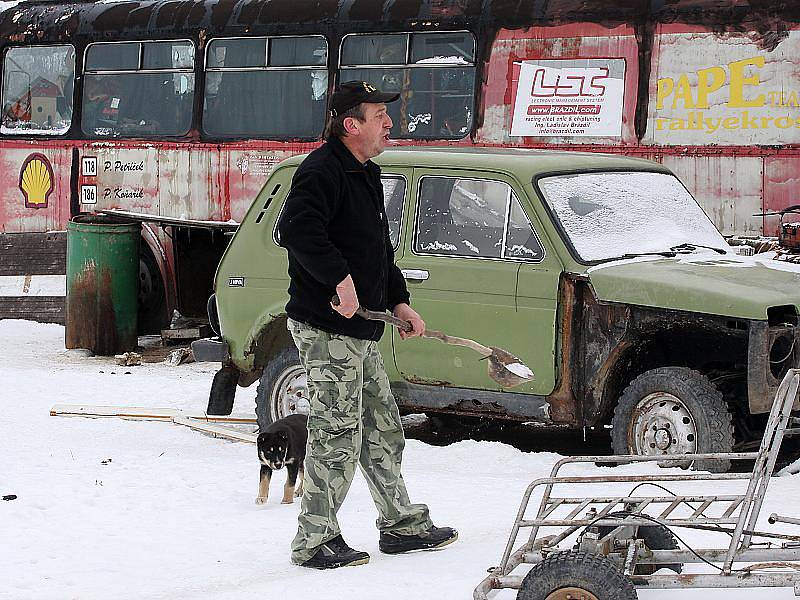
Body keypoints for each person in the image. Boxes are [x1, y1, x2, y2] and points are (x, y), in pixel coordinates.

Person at [277, 80, 458, 570]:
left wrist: (399, 301)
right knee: (336, 434)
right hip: (327, 329)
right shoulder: (320, 172)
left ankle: (400, 525)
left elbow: (378, 251)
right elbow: (293, 230)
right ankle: (315, 541)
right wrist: (338, 279)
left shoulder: (367, 173)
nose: (389, 123)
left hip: (362, 331)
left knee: (382, 426)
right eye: (380, 115)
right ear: (350, 124)